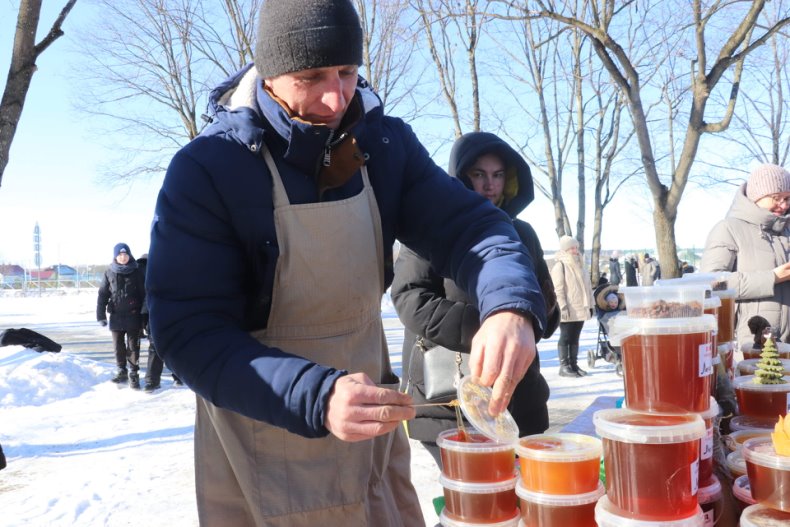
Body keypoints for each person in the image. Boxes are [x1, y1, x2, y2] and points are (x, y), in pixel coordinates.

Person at [145, 2, 547, 524]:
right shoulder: (209, 169)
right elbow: (187, 331)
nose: (336, 97)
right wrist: (317, 394)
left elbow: (474, 227)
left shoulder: (384, 145)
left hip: (370, 435)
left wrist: (508, 305)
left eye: (348, 72)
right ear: (268, 73)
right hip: (261, 434)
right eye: (311, 76)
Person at [391, 132, 558, 465]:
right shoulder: (433, 226)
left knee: (523, 503)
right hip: (449, 399)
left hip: (520, 398)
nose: (489, 184)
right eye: (478, 174)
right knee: (472, 508)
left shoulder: (523, 233)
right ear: (459, 176)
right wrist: (487, 329)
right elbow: (410, 298)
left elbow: (544, 311)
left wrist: (538, 312)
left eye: (498, 175)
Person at [701, 163, 790, 345]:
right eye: (776, 198)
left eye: (787, 198)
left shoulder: (786, 231)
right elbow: (709, 283)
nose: (783, 205)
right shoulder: (728, 229)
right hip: (751, 342)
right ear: (756, 197)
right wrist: (771, 277)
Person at [97, 243, 146, 389]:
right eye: (120, 255)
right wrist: (101, 315)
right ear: (115, 256)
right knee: (118, 346)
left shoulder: (137, 271)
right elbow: (103, 294)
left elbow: (145, 294)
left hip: (133, 315)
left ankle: (133, 374)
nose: (123, 257)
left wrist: (144, 316)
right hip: (116, 315)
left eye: (125, 254)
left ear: (129, 255)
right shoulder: (109, 272)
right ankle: (121, 371)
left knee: (133, 346)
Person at [550, 235, 595, 377]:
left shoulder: (581, 265)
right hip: (568, 308)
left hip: (580, 307)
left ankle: (573, 365)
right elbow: (558, 289)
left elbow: (588, 287)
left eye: (576, 247)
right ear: (566, 249)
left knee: (575, 337)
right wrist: (562, 306)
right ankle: (564, 366)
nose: (576, 250)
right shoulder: (560, 266)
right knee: (566, 337)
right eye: (572, 248)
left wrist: (591, 304)